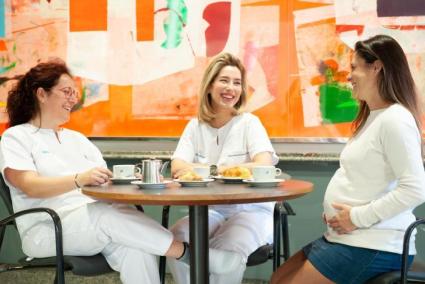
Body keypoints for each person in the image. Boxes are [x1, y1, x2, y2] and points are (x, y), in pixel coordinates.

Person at [0, 60, 240, 284]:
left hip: (95, 224)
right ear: (41, 94)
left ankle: (189, 255)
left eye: (75, 92)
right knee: (107, 216)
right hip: (48, 229)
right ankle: (195, 256)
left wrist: (122, 181)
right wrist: (78, 180)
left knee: (137, 247)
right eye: (67, 91)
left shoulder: (77, 139)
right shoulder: (16, 137)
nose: (73, 98)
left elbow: (103, 181)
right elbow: (28, 184)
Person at [271, 34, 425, 284]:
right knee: (279, 278)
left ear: (376, 67)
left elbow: (415, 189)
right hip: (348, 236)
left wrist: (355, 217)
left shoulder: (396, 119)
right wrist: (337, 210)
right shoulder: (374, 116)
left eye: (354, 67)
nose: (349, 76)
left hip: (375, 243)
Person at [168, 52, 279, 284]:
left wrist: (207, 170)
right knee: (176, 238)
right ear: (209, 86)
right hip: (209, 210)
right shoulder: (195, 127)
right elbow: (178, 166)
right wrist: (221, 171)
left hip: (250, 210)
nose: (231, 88)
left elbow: (263, 164)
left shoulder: (249, 123)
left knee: (228, 248)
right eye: (224, 80)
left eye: (237, 83)